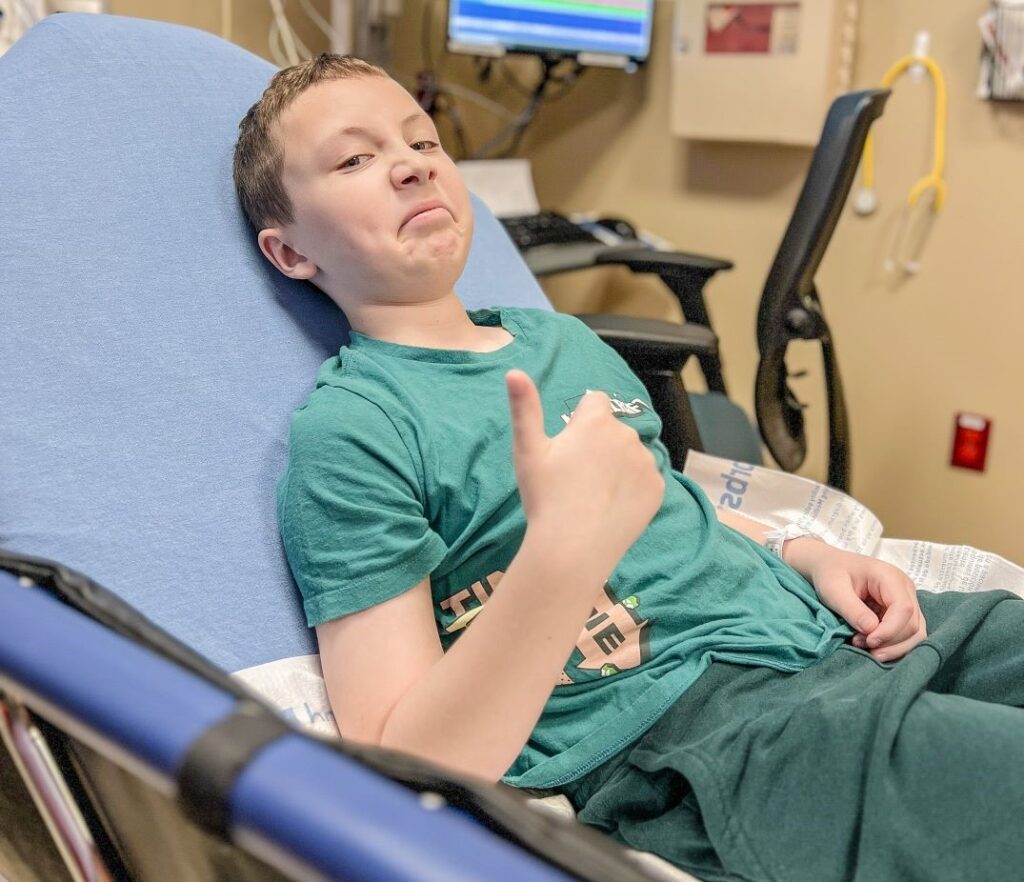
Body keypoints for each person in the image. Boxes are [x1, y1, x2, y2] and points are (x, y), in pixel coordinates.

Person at [232, 54, 1024, 882]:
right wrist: (562, 553)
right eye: (355, 159)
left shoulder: (564, 343)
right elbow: (401, 762)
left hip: (832, 637)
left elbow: (670, 507)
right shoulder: (356, 431)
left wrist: (806, 554)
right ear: (291, 254)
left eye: (423, 139)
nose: (411, 163)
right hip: (715, 727)